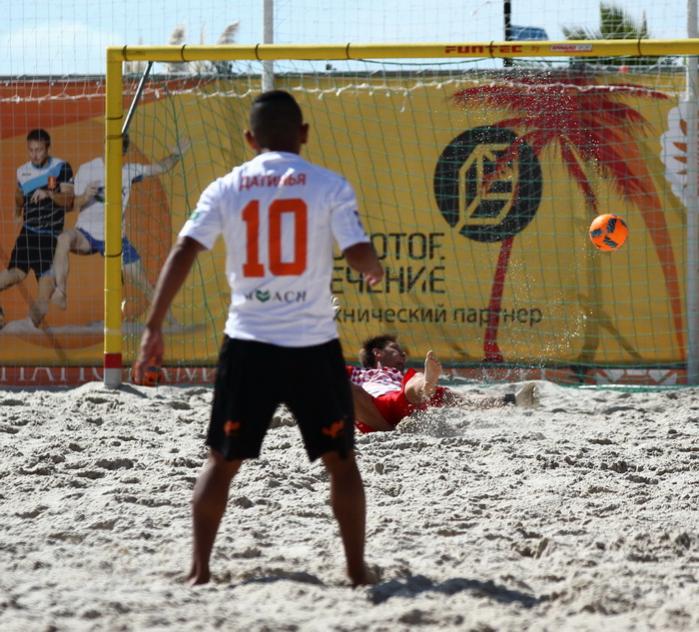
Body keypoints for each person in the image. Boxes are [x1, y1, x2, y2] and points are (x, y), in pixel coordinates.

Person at [133, 90, 384, 587]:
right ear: (304, 133)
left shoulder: (226, 187)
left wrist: (153, 326)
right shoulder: (329, 184)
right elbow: (357, 253)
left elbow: (184, 250)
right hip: (312, 347)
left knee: (221, 461)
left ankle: (200, 569)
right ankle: (356, 571)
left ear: (250, 139)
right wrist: (372, 266)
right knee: (341, 463)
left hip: (248, 344)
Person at [50, 133, 190, 316]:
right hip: (86, 234)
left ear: (123, 152)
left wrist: (176, 154)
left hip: (115, 239)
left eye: (118, 150)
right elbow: (72, 205)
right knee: (63, 238)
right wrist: (85, 196)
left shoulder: (129, 172)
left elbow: (159, 168)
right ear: (104, 145)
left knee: (144, 285)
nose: (111, 152)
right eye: (109, 147)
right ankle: (60, 291)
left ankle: (170, 320)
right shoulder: (87, 169)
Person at [347, 334, 538, 433]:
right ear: (377, 353)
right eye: (396, 349)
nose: (403, 354)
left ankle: (427, 385)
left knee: (419, 380)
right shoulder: (357, 373)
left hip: (405, 401)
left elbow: (466, 400)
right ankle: (391, 427)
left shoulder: (403, 378)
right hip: (370, 412)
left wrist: (512, 399)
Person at [0, 129, 74, 329]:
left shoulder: (61, 167)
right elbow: (19, 195)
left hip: (50, 237)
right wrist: (17, 212)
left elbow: (68, 201)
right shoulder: (22, 171)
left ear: (48, 148)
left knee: (45, 292)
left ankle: (27, 327)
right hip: (28, 234)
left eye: (39, 150)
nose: (34, 155)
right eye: (31, 150)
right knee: (14, 275)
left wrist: (49, 194)